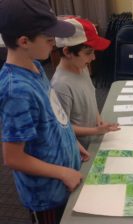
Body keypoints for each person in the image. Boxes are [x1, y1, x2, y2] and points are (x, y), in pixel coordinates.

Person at [0, 1, 88, 223]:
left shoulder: (36, 66)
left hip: (63, 179)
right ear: (24, 41)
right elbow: (13, 158)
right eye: (49, 40)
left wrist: (72, 142)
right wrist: (63, 172)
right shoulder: (16, 91)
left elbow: (53, 114)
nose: (54, 43)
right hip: (47, 196)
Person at [51, 17, 120, 149]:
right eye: (88, 53)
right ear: (67, 52)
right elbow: (62, 127)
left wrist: (98, 118)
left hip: (93, 139)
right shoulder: (60, 85)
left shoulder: (82, 68)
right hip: (80, 148)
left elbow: (90, 98)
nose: (93, 58)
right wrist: (95, 131)